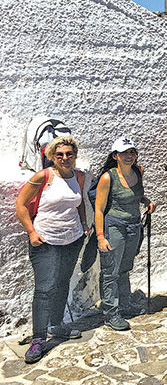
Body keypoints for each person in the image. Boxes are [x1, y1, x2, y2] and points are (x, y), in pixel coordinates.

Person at [15, 136, 88, 363]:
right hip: (45, 240)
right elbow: (21, 204)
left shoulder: (79, 176)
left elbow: (81, 202)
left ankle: (56, 325)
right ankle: (38, 338)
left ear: (75, 154)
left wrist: (85, 226)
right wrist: (31, 232)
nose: (65, 158)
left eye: (69, 153)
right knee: (45, 288)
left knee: (62, 282)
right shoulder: (43, 176)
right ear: (52, 156)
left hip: (72, 238)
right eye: (60, 154)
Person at [94, 137, 156, 331]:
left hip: (133, 226)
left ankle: (125, 304)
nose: (129, 156)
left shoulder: (139, 171)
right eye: (124, 153)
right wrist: (101, 237)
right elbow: (99, 208)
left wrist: (146, 201)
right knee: (110, 270)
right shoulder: (108, 177)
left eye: (132, 152)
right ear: (115, 156)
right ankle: (111, 313)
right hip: (115, 226)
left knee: (124, 267)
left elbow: (135, 193)